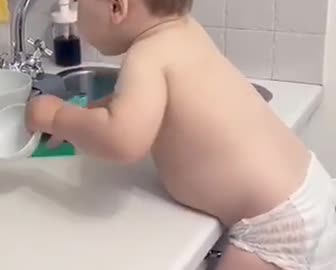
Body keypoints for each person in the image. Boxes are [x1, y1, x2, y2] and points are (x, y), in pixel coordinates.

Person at [25, 0, 336, 269]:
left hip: (276, 228)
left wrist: (57, 116)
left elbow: (123, 140)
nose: (76, 14)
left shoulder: (145, 56)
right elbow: (130, 105)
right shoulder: (185, 32)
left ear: (117, 7)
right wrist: (85, 122)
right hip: (306, 188)